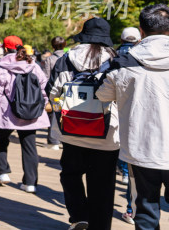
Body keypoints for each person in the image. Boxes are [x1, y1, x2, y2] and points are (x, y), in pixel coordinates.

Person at [98, 5, 169, 229]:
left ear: (142, 30)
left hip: (142, 148)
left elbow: (103, 94)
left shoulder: (124, 62)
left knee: (146, 210)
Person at [49, 17, 120, 230]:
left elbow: (53, 92)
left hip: (72, 130)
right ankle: (100, 226)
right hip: (107, 134)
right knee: (103, 184)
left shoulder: (67, 58)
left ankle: (79, 216)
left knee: (70, 174)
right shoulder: (116, 60)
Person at [0, 40, 49, 193]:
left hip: (7, 112)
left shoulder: (2, 66)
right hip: (30, 113)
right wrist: (41, 105)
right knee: (29, 146)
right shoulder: (33, 65)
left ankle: (3, 173)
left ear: (5, 48)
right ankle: (30, 182)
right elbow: (44, 87)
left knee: (0, 140)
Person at [114, 27, 141, 224]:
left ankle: (132, 211)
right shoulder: (143, 56)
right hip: (149, 119)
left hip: (120, 115)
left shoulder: (114, 56)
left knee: (132, 168)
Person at [43, 36, 67, 151]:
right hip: (67, 90)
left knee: (54, 114)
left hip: (54, 91)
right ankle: (65, 140)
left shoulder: (50, 59)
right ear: (64, 45)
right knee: (67, 114)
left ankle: (53, 141)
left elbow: (46, 77)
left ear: (52, 46)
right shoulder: (69, 56)